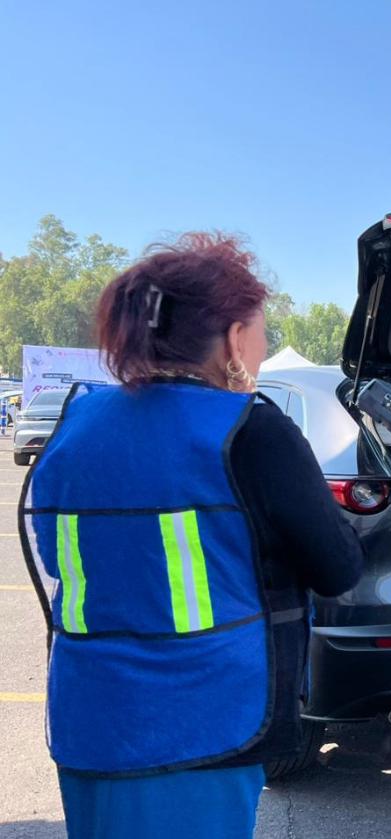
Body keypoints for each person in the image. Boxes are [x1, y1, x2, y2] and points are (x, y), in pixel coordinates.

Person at [19, 234, 364, 837]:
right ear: (234, 337)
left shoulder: (73, 424)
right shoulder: (249, 430)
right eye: (260, 330)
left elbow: (69, 557)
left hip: (90, 717)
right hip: (202, 724)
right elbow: (337, 567)